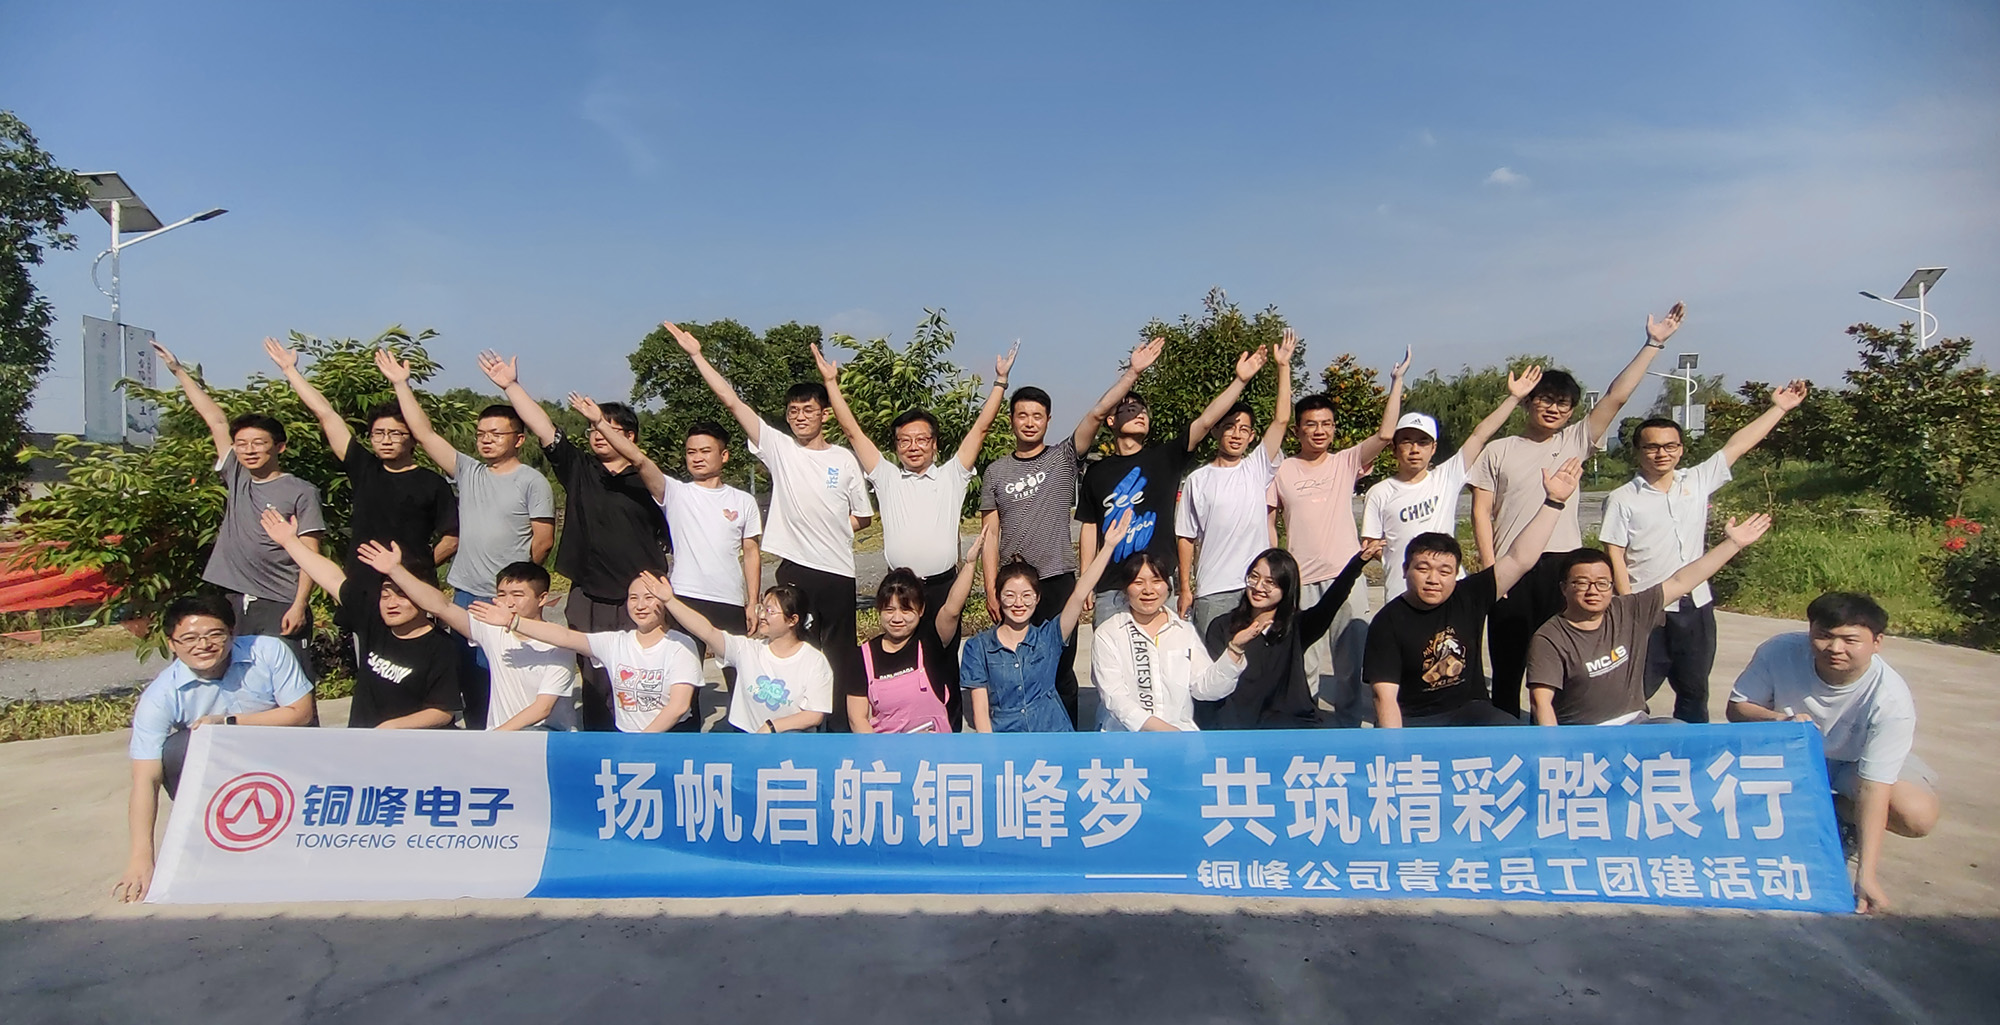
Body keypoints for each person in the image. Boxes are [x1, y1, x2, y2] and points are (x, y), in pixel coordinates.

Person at [1469, 302, 1685, 717]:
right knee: (1508, 665)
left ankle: (1564, 731)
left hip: (1564, 567)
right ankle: (1507, 735)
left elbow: (1617, 396)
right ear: (1528, 402)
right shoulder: (1499, 450)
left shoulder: (1575, 440)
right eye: (1546, 400)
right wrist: (1492, 571)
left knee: (1567, 662)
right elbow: (1481, 512)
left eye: (1564, 404)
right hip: (1512, 567)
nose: (1554, 409)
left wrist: (1653, 344)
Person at [670, 320, 872, 729]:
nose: (800, 417)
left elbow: (863, 517)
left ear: (825, 415)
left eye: (808, 410)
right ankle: (786, 723)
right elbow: (732, 402)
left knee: (837, 657)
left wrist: (830, 528)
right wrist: (697, 356)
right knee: (791, 650)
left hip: (838, 573)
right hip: (795, 569)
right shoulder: (779, 447)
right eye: (793, 411)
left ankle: (834, 733)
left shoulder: (843, 459)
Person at [815, 339, 1014, 727]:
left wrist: (1000, 383)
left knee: (942, 664)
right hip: (900, 590)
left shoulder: (952, 475)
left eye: (922, 439)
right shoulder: (887, 477)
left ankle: (947, 733)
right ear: (896, 446)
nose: (913, 447)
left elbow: (981, 428)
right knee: (899, 667)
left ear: (935, 445)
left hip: (942, 589)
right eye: (904, 440)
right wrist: (831, 384)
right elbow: (852, 432)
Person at [979, 338, 1168, 725]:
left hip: (1057, 579)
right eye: (1022, 415)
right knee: (1014, 669)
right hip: (1014, 585)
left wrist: (1132, 372)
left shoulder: (1063, 457)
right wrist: (990, 588)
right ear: (1011, 420)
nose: (1029, 421)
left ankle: (1065, 740)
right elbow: (989, 535)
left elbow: (1097, 414)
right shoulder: (996, 471)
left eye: (1037, 415)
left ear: (1048, 420)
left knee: (1061, 670)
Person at [1600, 381, 1810, 723]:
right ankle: (1629, 748)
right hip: (1647, 606)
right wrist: (1628, 607)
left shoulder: (1696, 481)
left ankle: (1693, 751)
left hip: (1694, 606)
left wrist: (1779, 408)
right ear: (1637, 451)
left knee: (1694, 691)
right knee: (1635, 691)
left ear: (1681, 449)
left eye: (1670, 446)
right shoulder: (1622, 498)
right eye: (1652, 447)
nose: (1661, 453)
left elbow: (1738, 445)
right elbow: (1614, 553)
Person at [483, 354, 670, 732]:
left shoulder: (648, 479)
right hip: (589, 594)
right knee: (595, 679)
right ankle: (598, 746)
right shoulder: (579, 468)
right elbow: (543, 427)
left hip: (640, 593)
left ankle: (650, 742)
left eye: (607, 427)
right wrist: (511, 386)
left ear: (630, 437)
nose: (597, 433)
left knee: (644, 676)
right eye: (593, 428)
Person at [1727, 593, 1941, 914]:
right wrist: (1780, 721)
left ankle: (1839, 817)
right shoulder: (1779, 651)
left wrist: (1865, 875)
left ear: (1877, 642)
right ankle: (1804, 811)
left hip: (1853, 765)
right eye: (1824, 636)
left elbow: (1873, 786)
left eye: (1850, 640)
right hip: (1787, 755)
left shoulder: (1891, 700)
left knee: (1917, 816)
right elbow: (1737, 708)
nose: (1835, 648)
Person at [382, 349, 555, 728]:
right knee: (471, 679)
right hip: (465, 596)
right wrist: (401, 384)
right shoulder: (468, 471)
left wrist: (515, 589)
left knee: (508, 680)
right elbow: (425, 434)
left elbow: (542, 541)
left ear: (519, 439)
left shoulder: (532, 481)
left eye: (496, 434)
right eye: (481, 434)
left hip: (506, 599)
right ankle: (479, 742)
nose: (486, 440)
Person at [114, 595, 317, 903]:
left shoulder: (269, 651)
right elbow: (146, 778)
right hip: (227, 771)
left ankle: (301, 827)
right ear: (171, 644)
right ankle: (218, 831)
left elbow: (301, 714)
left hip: (283, 753)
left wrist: (228, 723)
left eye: (215, 634)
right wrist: (140, 859)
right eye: (189, 638)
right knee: (176, 750)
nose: (203, 645)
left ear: (232, 633)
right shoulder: (160, 696)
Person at [575, 407, 762, 727]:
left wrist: (753, 601)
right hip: (684, 599)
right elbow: (639, 460)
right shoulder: (675, 492)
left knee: (741, 679)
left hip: (729, 600)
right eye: (691, 452)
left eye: (705, 451)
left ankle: (745, 739)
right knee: (684, 680)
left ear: (724, 455)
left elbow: (751, 552)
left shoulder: (742, 500)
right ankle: (685, 742)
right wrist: (600, 424)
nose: (697, 458)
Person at [1366, 457, 1583, 728]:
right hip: (1416, 720)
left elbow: (1519, 559)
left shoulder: (1468, 596)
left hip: (1471, 711)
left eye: (1444, 571)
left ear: (1455, 573)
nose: (1433, 579)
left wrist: (1554, 502)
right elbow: (1384, 698)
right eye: (1423, 569)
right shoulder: (1387, 621)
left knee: (1515, 735)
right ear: (1405, 570)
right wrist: (1395, 748)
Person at [155, 340, 325, 671]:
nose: (249, 450)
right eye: (242, 444)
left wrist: (299, 604)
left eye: (259, 443)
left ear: (279, 447)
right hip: (232, 597)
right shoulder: (237, 475)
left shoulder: (301, 491)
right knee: (236, 678)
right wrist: (178, 371)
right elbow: (216, 420)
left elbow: (311, 553)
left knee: (287, 678)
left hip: (279, 600)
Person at [1079, 338, 1273, 618]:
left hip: (1159, 585)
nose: (1140, 414)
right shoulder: (1097, 471)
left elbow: (1206, 421)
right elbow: (1089, 526)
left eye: (1143, 411)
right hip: (1112, 588)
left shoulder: (1165, 459)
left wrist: (1240, 381)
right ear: (1111, 421)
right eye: (1130, 409)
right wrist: (1086, 581)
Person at [1267, 347, 1410, 727]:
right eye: (1311, 424)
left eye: (1326, 424)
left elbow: (1386, 434)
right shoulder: (1282, 470)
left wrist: (1396, 382)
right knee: (1304, 664)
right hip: (1301, 580)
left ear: (1334, 428)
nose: (1319, 431)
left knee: (1350, 663)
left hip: (1346, 577)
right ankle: (1308, 728)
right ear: (1298, 430)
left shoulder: (1345, 462)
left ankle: (1348, 730)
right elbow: (1270, 522)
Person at [1526, 514, 1772, 726]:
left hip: (1635, 724)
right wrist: (1555, 750)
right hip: (1583, 735)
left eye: (1602, 583)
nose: (1593, 591)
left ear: (1612, 586)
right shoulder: (1550, 638)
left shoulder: (1629, 611)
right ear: (1564, 588)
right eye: (1581, 583)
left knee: (1678, 731)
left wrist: (1733, 544)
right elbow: (1540, 702)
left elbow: (1681, 581)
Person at [263, 338, 458, 589]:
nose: (385, 440)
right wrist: (290, 370)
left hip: (411, 588)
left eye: (395, 433)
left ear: (413, 439)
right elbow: (326, 414)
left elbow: (452, 537)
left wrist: (417, 569)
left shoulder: (432, 483)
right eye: (378, 433)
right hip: (361, 583)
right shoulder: (364, 468)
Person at [262, 510, 461, 729]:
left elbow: (442, 712)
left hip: (409, 743)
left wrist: (390, 728)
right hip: (362, 741)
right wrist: (290, 542)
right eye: (385, 595)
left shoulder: (441, 647)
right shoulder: (374, 621)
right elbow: (332, 578)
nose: (391, 603)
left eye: (402, 595)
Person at [1362, 365, 1540, 602]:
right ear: (1394, 448)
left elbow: (1479, 435)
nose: (1414, 449)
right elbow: (1372, 544)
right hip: (1400, 592)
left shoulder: (1447, 477)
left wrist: (1514, 398)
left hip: (1449, 590)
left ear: (1433, 448)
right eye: (1406, 441)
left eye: (1423, 442)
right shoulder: (1379, 492)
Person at [356, 543, 578, 731]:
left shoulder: (558, 644)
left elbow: (542, 708)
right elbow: (441, 606)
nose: (508, 602)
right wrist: (395, 571)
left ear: (542, 598)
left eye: (518, 595)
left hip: (547, 737)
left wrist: (493, 738)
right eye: (502, 594)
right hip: (503, 739)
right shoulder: (493, 631)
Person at [961, 510, 1133, 733]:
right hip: (1007, 739)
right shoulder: (979, 648)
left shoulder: (1049, 636)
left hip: (1053, 735)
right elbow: (981, 713)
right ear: (998, 596)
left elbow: (1079, 594)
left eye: (1026, 595)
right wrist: (991, 750)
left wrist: (1108, 546)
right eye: (1010, 595)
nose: (1018, 603)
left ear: (1037, 598)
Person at [471, 571, 702, 733]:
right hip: (626, 737)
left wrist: (639, 744)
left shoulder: (680, 645)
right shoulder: (615, 642)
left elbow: (678, 707)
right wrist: (513, 622)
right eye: (633, 598)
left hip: (671, 738)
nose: (640, 605)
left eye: (649, 598)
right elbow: (566, 637)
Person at [1177, 329, 1296, 635]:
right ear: (1216, 431)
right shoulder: (1197, 480)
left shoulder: (1257, 468)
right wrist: (1185, 588)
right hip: (1213, 591)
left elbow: (1281, 420)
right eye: (1229, 426)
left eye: (1244, 429)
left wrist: (1283, 367)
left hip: (1256, 589)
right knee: (1212, 661)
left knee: (1257, 661)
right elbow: (1186, 537)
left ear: (1252, 436)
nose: (1236, 434)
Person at [1196, 541, 1380, 730]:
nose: (1258, 587)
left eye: (1270, 582)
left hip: (1290, 726)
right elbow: (1211, 685)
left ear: (1286, 588)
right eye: (1254, 577)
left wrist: (1357, 563)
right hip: (1237, 728)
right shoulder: (1222, 627)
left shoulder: (1296, 627)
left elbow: (1332, 601)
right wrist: (1235, 648)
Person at [845, 524, 989, 733]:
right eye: (889, 610)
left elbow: (952, 609)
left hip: (935, 748)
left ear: (921, 610)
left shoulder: (930, 642)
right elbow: (857, 719)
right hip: (885, 750)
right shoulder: (862, 657)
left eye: (906, 610)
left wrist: (970, 563)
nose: (897, 618)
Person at [1092, 551, 1259, 732]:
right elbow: (1115, 698)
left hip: (1181, 738)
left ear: (1168, 586)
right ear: (1125, 589)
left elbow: (1206, 688)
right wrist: (1165, 731)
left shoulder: (1183, 631)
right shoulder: (1108, 634)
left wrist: (1234, 650)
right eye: (1138, 583)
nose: (1148, 590)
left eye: (1156, 581)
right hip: (1127, 740)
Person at [656, 575, 834, 734]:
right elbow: (707, 631)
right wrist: (670, 601)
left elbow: (814, 715)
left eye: (770, 611)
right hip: (745, 738)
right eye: (762, 609)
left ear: (793, 620)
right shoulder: (747, 649)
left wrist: (772, 727)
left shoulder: (814, 661)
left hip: (790, 741)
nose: (762, 616)